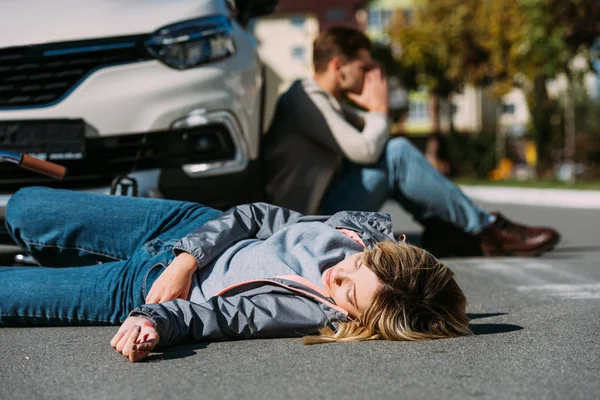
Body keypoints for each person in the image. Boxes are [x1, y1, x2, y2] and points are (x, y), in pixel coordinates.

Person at [1, 187, 470, 362]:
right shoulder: (351, 232)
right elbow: (254, 216)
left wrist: (154, 320)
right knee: (24, 208)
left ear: (360, 321)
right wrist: (187, 259)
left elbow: (220, 317)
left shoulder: (309, 311)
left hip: (146, 288)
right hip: (186, 227)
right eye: (356, 266)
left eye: (350, 295)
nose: (338, 277)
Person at [262, 26, 560, 257]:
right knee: (397, 153)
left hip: (318, 214)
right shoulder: (305, 98)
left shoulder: (324, 100)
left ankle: (448, 229)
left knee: (395, 152)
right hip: (304, 226)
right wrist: (379, 110)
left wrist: (374, 113)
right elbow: (366, 150)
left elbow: (370, 133)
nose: (371, 76)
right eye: (364, 68)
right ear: (339, 67)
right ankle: (487, 229)